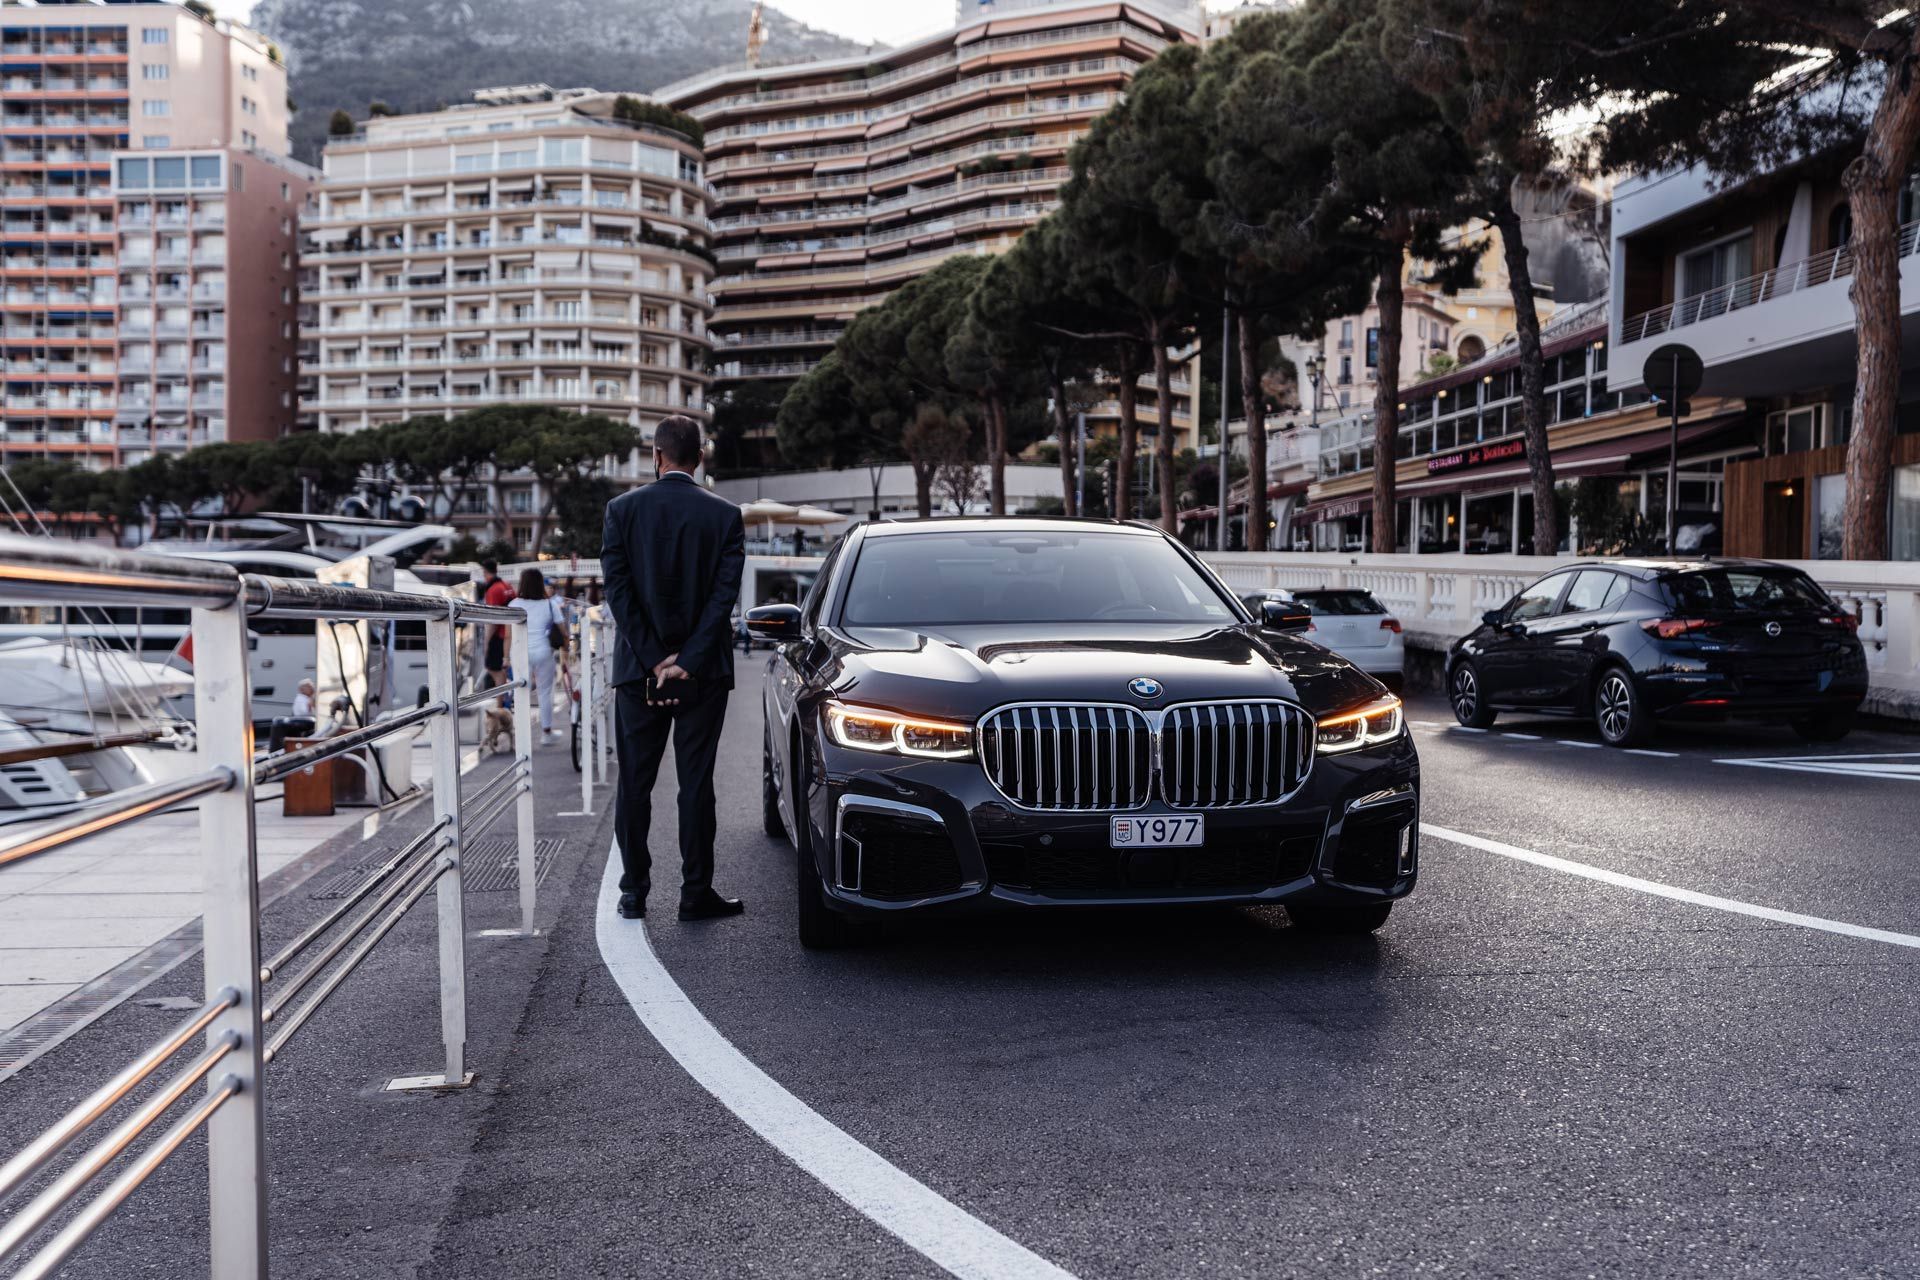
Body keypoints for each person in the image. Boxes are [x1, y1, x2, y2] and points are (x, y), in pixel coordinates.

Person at [600, 414, 745, 922]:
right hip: (704, 673)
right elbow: (724, 597)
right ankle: (694, 892)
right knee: (696, 782)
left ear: (656, 457)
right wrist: (687, 659)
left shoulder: (621, 510)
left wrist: (652, 656)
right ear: (699, 458)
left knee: (634, 784)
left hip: (637, 672)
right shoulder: (725, 516)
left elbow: (617, 590)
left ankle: (634, 892)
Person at [510, 568, 567, 746]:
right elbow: (563, 633)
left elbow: (506, 635)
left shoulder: (513, 604)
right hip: (543, 650)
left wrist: (505, 658)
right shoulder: (550, 604)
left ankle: (520, 735)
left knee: (520, 692)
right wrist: (567, 649)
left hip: (520, 651)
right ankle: (546, 733)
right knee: (544, 692)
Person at [479, 559, 514, 686]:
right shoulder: (507, 585)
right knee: (501, 668)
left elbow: (493, 619)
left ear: (485, 571)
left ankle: (500, 702)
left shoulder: (493, 589)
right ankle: (503, 700)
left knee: (493, 669)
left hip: (500, 635)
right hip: (511, 632)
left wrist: (487, 642)